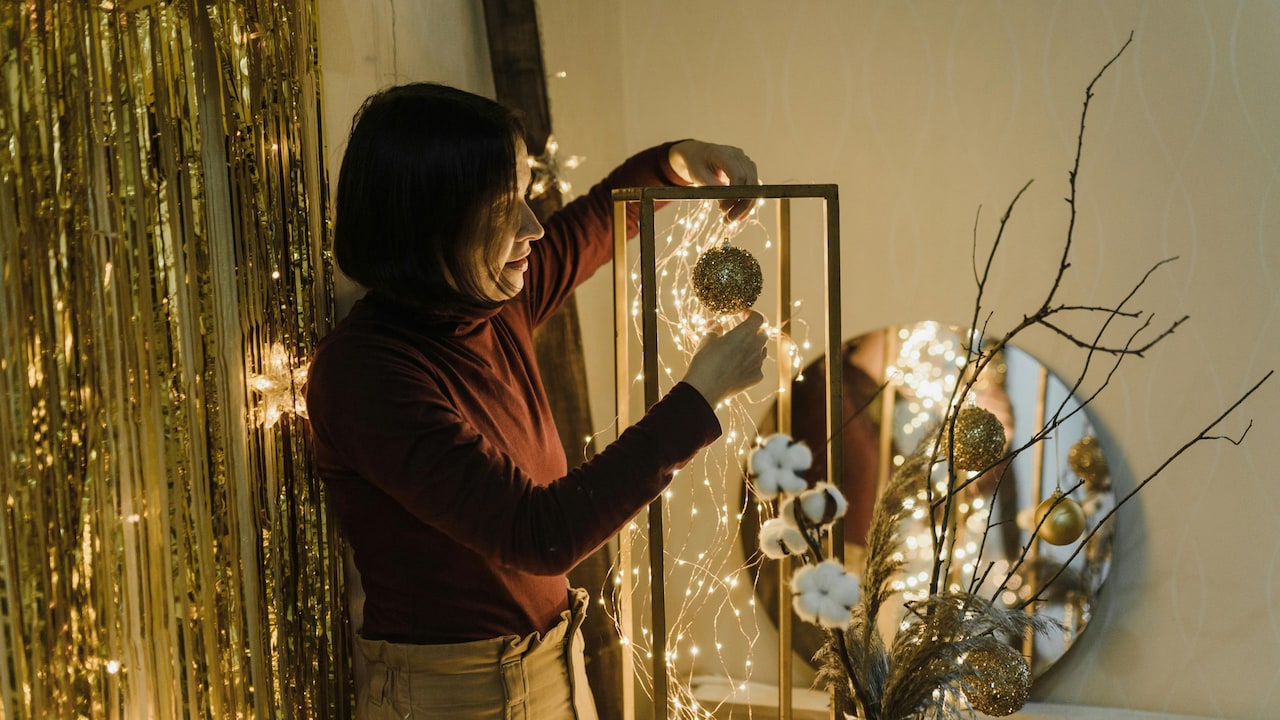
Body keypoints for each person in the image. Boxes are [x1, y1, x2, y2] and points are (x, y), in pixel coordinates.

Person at [303, 82, 768, 720]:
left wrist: (678, 162)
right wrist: (699, 397)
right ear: (432, 224)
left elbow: (597, 221)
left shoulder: (490, 302)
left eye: (526, 196)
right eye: (504, 209)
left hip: (556, 670)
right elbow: (540, 534)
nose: (533, 227)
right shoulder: (366, 375)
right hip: (453, 701)